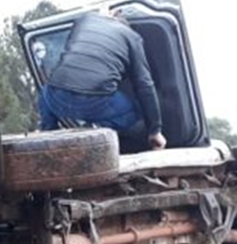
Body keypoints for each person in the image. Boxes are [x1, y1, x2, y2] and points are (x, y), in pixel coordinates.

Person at [38, 10, 166, 152]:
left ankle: (49, 144)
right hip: (95, 99)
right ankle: (101, 133)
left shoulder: (85, 19)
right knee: (134, 118)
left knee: (46, 94)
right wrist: (155, 130)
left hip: (55, 97)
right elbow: (144, 84)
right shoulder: (132, 37)